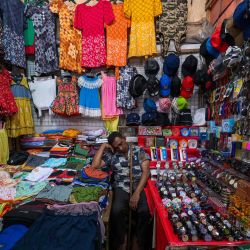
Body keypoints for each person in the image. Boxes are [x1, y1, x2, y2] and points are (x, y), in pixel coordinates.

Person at [91, 131, 151, 250]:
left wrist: (137, 193)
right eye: (116, 146)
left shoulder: (139, 151)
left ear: (124, 138)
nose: (120, 147)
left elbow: (146, 172)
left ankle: (137, 240)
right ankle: (121, 240)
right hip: (121, 186)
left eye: (121, 143)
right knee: (116, 211)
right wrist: (103, 146)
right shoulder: (111, 154)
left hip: (137, 185)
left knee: (144, 211)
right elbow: (94, 166)